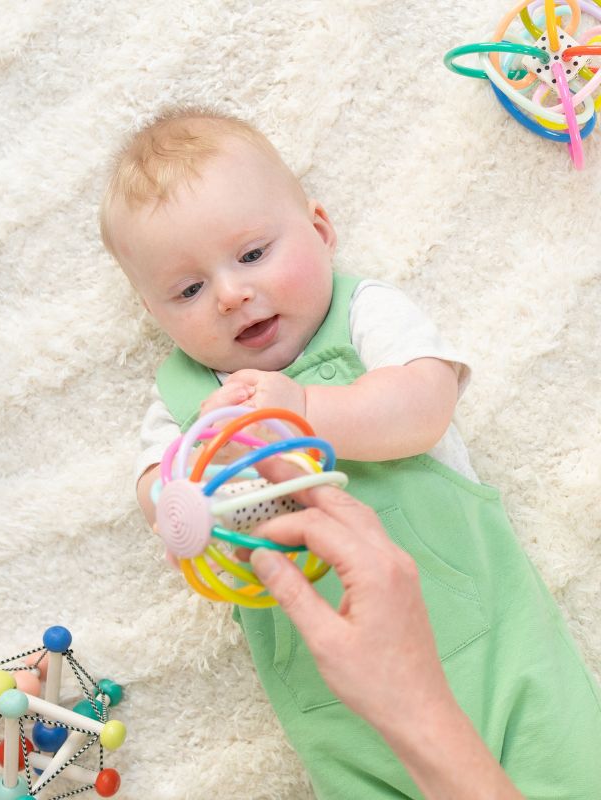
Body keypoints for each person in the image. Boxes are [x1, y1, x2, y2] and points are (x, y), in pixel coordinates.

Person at [99, 107, 601, 797]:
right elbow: (158, 490)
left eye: (251, 254)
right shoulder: (186, 401)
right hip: (331, 693)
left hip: (490, 636)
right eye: (188, 290)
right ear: (155, 316)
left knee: (570, 769)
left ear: (322, 231)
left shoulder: (364, 316)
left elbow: (424, 408)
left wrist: (301, 409)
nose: (231, 293)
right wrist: (188, 492)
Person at [247, 458, 523, 800]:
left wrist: (303, 406)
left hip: (502, 660)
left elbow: (426, 415)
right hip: (339, 714)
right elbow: (162, 493)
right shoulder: (175, 421)